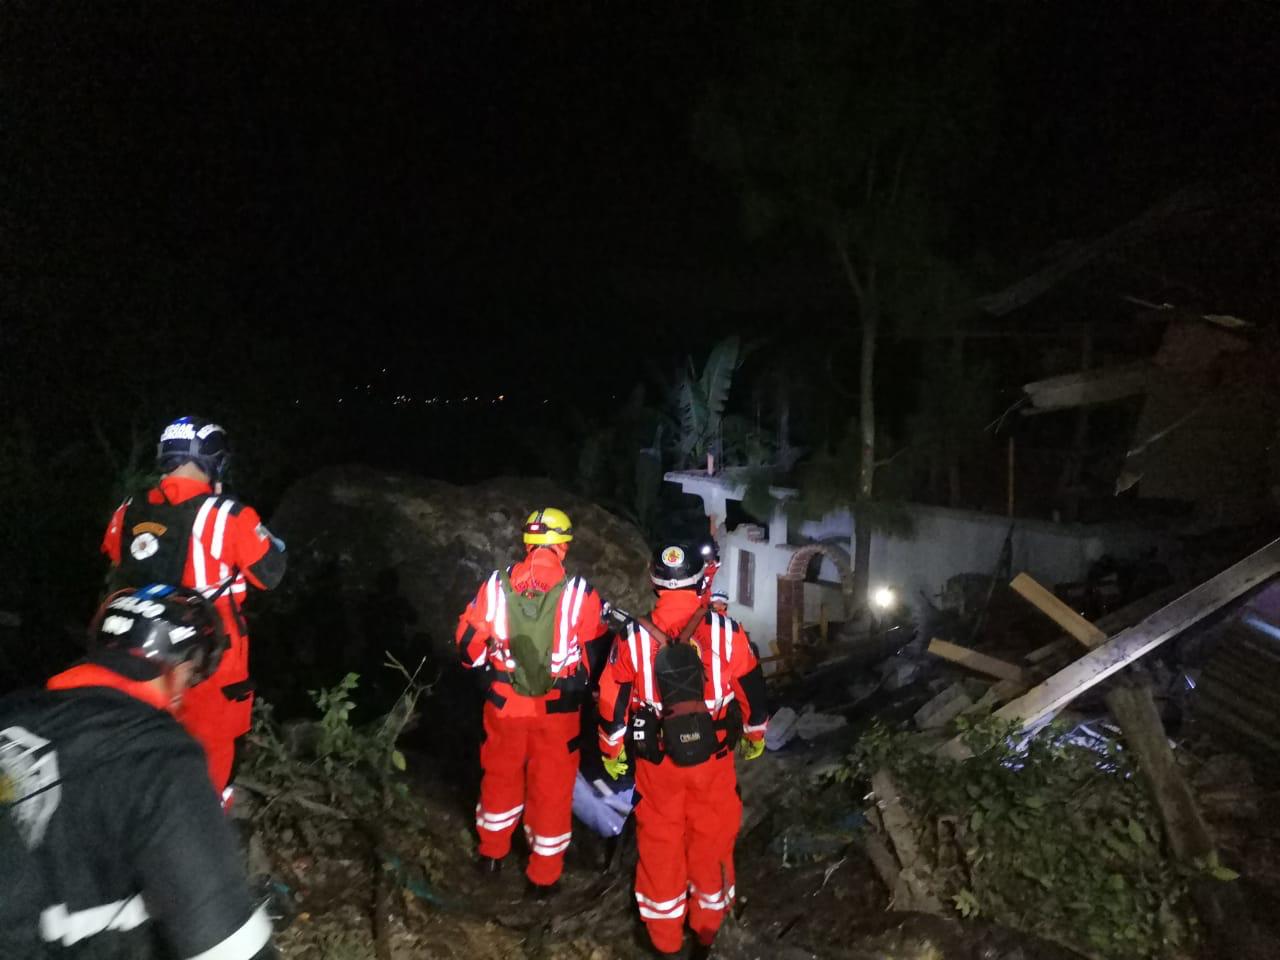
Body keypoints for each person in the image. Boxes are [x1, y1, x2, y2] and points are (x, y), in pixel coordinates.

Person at [0, 584, 274, 959]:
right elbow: (230, 948)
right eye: (191, 673)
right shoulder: (157, 756)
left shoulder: (11, 715)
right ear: (176, 667)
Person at [101, 416, 287, 804]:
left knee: (139, 749)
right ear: (215, 461)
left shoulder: (127, 510)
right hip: (211, 663)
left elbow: (118, 560)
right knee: (214, 758)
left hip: (137, 654)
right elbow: (271, 572)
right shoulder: (228, 516)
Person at [597, 542, 769, 958]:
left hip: (658, 763)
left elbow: (611, 699)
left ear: (656, 582)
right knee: (713, 839)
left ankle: (664, 941)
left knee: (660, 843)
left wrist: (611, 748)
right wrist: (755, 735)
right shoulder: (729, 632)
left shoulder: (633, 636)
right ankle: (708, 932)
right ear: (700, 581)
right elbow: (752, 691)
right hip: (714, 757)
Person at [455, 507, 606, 896]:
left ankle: (491, 854)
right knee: (552, 789)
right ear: (563, 545)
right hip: (557, 713)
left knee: (500, 775)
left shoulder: (494, 585)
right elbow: (593, 658)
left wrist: (489, 668)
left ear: (527, 542)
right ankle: (543, 877)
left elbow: (466, 648)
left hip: (505, 705)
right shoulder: (580, 594)